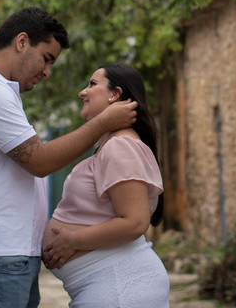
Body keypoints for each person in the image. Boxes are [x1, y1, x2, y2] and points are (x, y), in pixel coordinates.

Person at [0, 7, 138, 308]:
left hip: (6, 256)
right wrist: (103, 123)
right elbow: (40, 161)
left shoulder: (0, 91)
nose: (47, 72)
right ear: (22, 42)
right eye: (47, 59)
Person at [41, 63, 171, 307]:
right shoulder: (112, 145)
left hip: (119, 285)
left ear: (115, 94)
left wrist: (72, 241)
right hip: (110, 284)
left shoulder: (120, 146)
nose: (82, 92)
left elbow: (135, 222)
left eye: (92, 84)